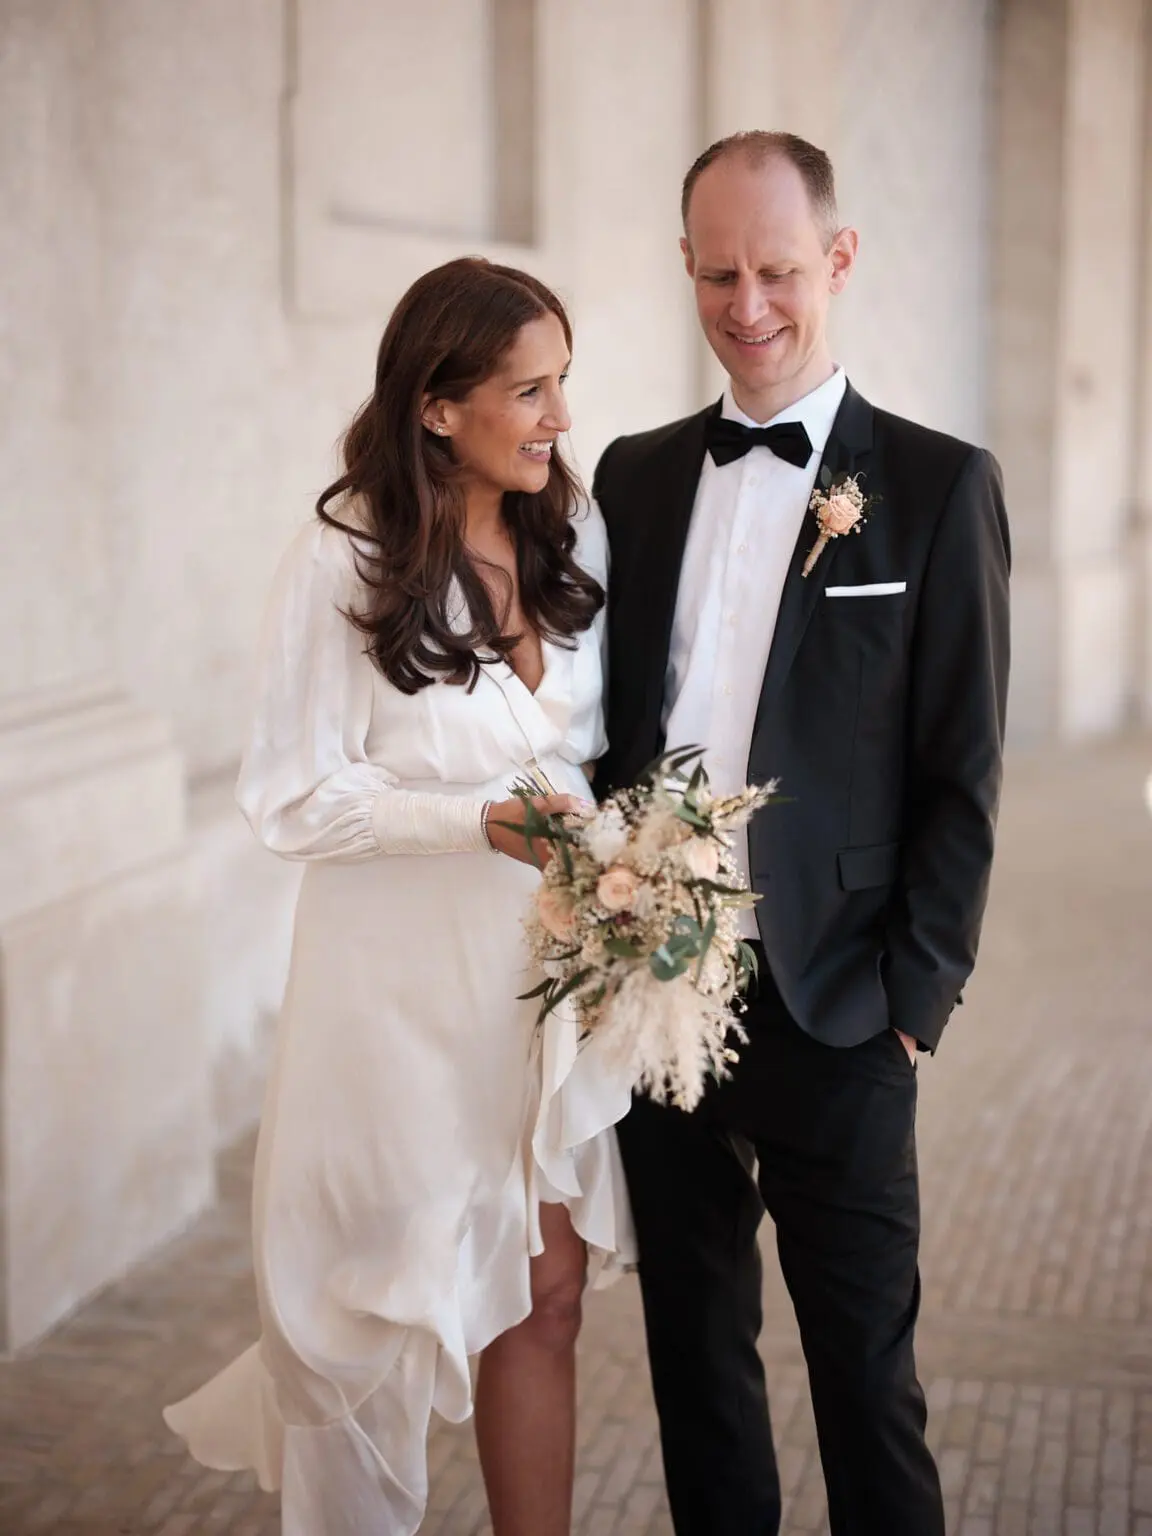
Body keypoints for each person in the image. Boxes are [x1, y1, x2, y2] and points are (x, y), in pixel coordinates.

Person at [163, 257, 634, 1536]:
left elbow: (586, 755)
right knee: (373, 1324)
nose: (558, 419)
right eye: (529, 392)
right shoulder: (343, 559)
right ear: (437, 406)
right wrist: (473, 821)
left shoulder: (572, 530)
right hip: (395, 1007)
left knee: (545, 1298)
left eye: (562, 386)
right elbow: (291, 798)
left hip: (539, 991)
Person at [592, 131, 1010, 1536]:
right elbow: (609, 728)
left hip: (838, 1001)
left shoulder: (942, 488)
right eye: (718, 273)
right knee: (697, 1373)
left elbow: (963, 767)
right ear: (688, 270)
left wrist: (916, 993)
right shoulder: (634, 478)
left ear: (837, 261)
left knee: (866, 1388)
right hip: (659, 1002)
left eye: (777, 270)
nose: (747, 305)